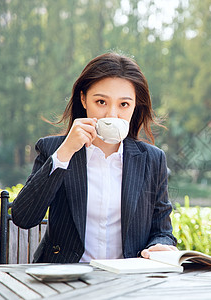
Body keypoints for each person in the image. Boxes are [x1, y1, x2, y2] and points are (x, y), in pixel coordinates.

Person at [12, 52, 177, 263]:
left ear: (136, 106)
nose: (112, 115)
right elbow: (23, 217)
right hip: (64, 280)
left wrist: (157, 247)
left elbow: (163, 231)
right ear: (83, 99)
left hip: (128, 283)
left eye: (124, 104)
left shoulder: (152, 159)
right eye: (101, 102)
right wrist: (65, 152)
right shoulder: (53, 149)